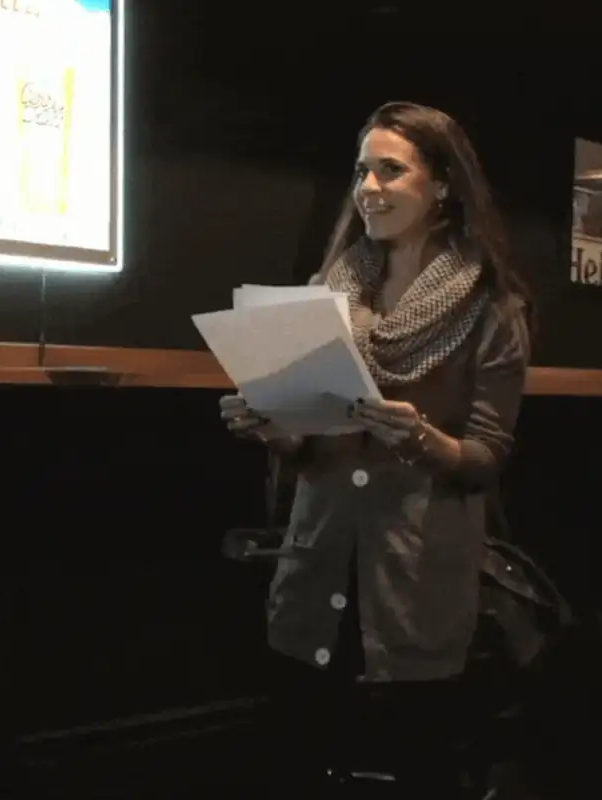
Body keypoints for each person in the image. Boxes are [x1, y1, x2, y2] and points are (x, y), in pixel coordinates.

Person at [219, 100, 531, 795]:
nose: (369, 188)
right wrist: (272, 428)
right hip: (316, 574)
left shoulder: (494, 310)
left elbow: (487, 457)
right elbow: (307, 447)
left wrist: (419, 439)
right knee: (303, 763)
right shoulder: (320, 295)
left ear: (443, 185)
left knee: (417, 769)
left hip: (414, 586)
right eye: (362, 171)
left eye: (391, 170)